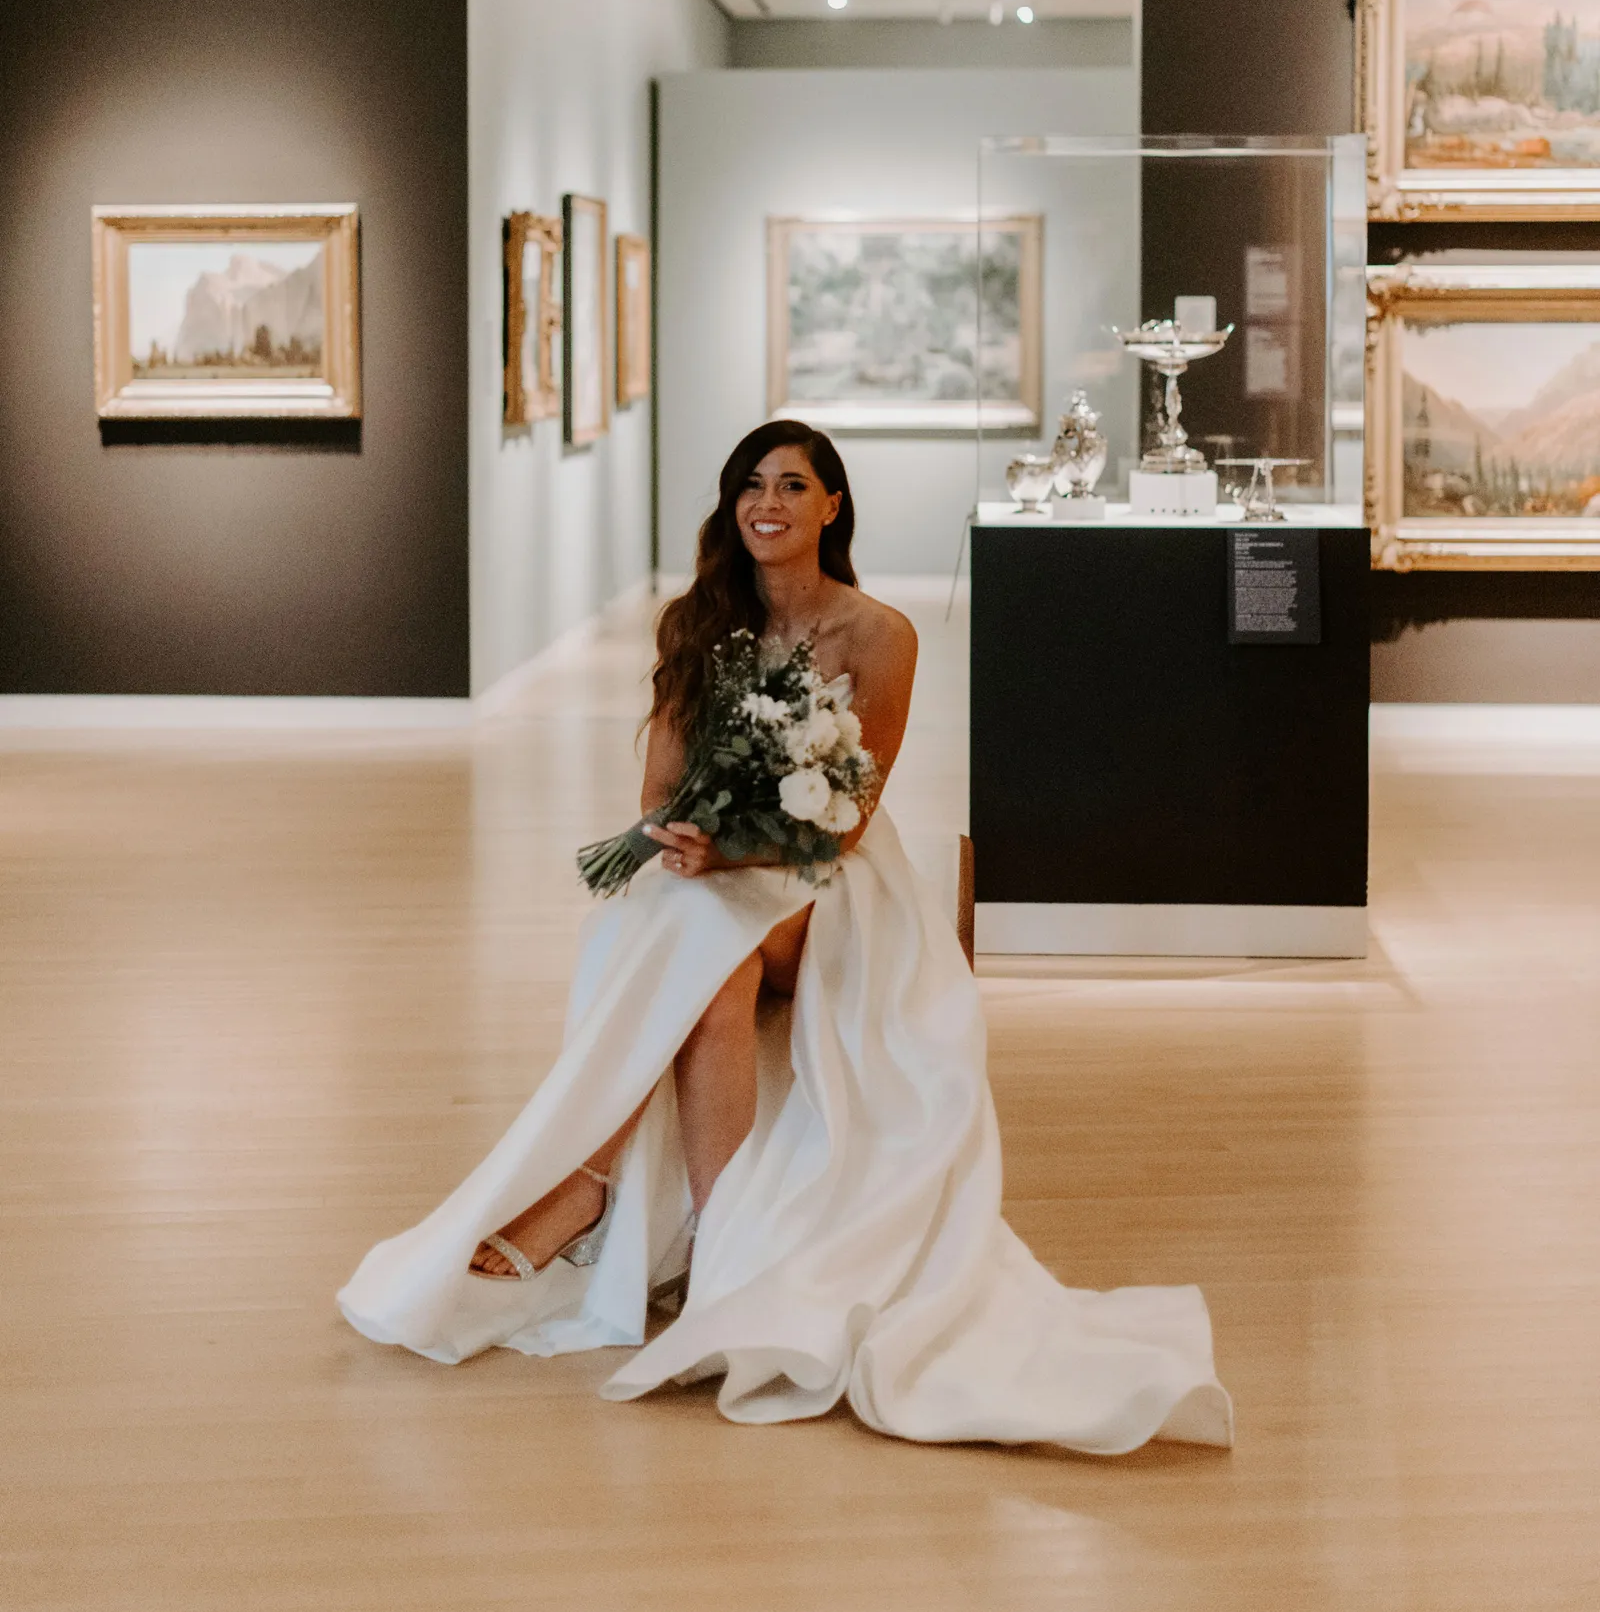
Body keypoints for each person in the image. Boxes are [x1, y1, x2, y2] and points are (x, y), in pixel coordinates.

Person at [338, 421, 1232, 1454]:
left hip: (833, 887)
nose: (768, 504)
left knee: (696, 923)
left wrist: (740, 852)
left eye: (793, 486)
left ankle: (584, 1186)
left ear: (831, 507)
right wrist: (679, 837)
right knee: (703, 955)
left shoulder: (879, 633)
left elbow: (849, 820)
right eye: (750, 486)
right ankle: (722, 1242)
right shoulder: (695, 625)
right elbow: (653, 795)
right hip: (718, 882)